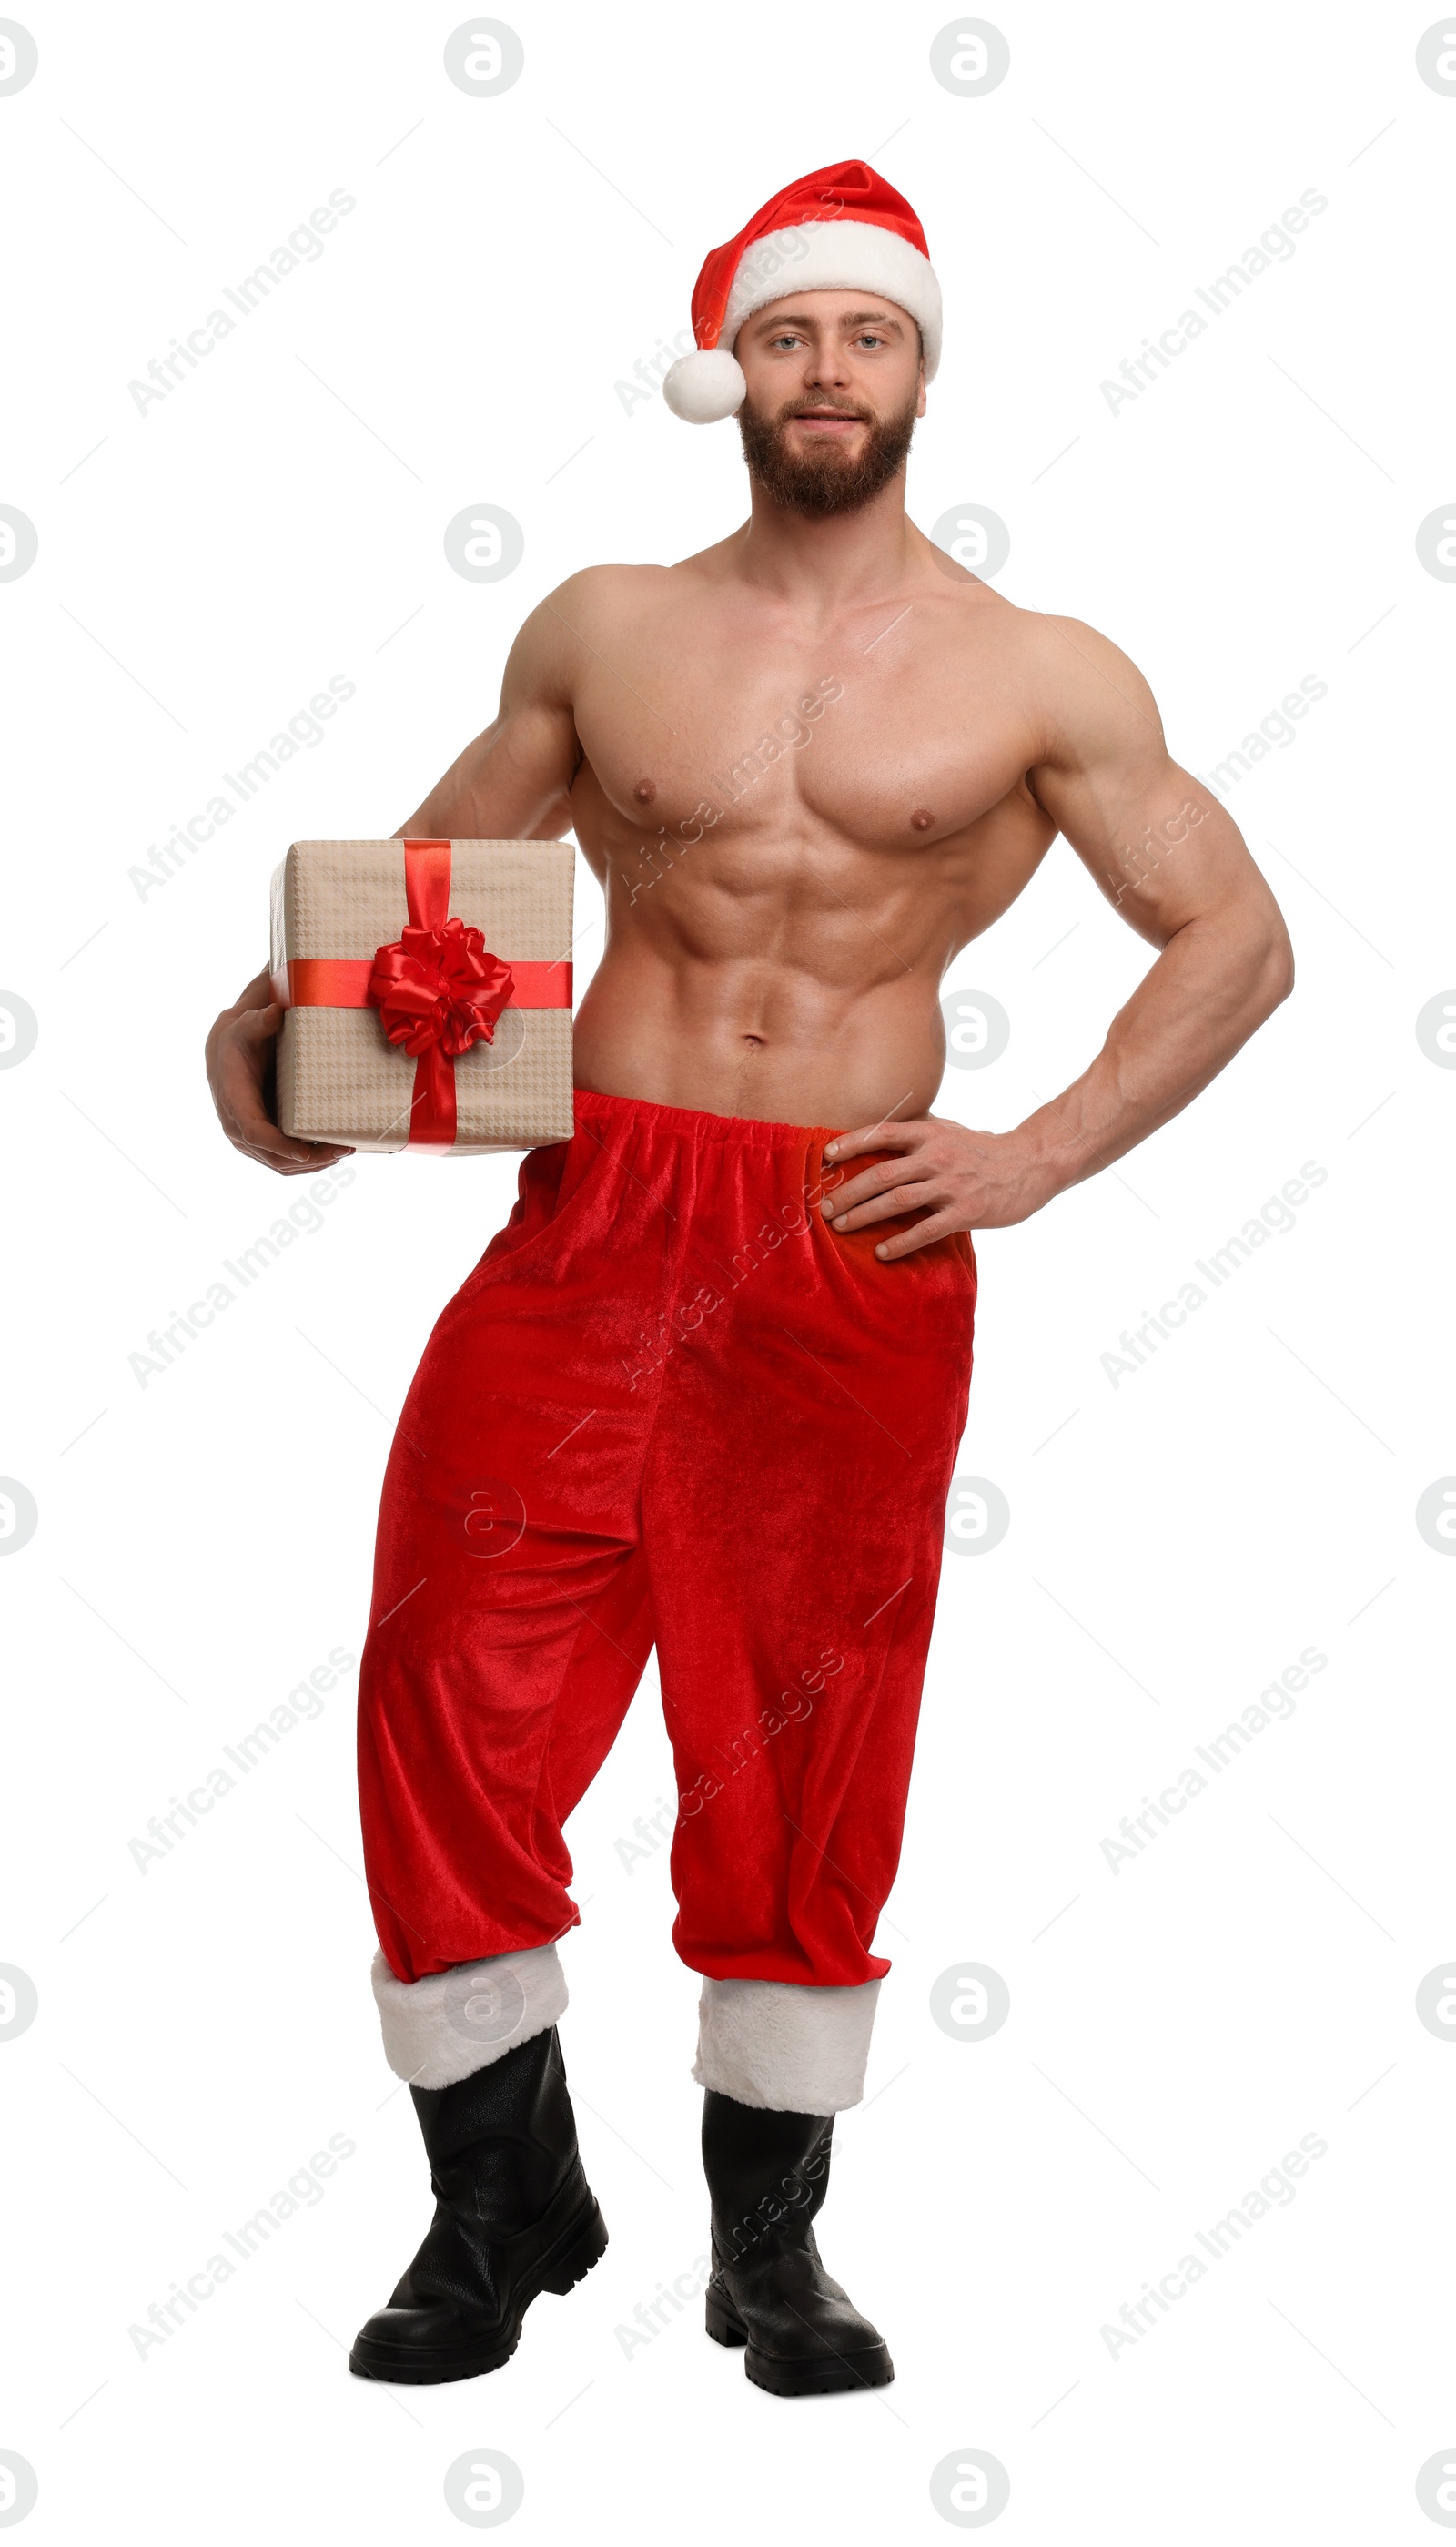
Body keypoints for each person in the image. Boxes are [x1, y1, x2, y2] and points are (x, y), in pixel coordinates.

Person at [205, 161, 1293, 2398]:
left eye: (865, 338)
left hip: (844, 1238)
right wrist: (278, 1052)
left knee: (801, 1723)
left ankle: (766, 2249)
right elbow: (428, 894)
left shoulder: (1034, 669)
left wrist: (1036, 1152)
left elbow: (1237, 936)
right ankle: (499, 2203)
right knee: (448, 1670)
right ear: (735, 370)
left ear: (917, 370)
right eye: (790, 336)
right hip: (592, 1214)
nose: (826, 373)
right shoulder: (602, 627)